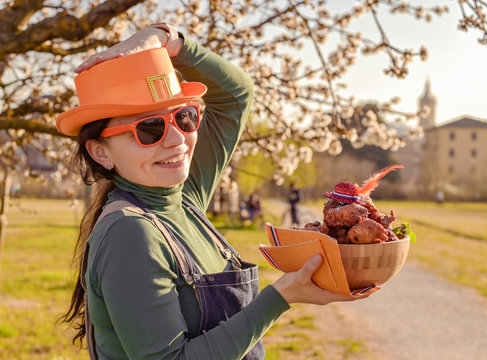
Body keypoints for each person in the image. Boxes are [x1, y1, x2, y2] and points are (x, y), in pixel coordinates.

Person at [58, 24, 378, 360]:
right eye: (148, 129)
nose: (177, 139)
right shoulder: (130, 232)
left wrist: (168, 41)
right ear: (101, 152)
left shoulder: (183, 197)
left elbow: (237, 93)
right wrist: (280, 296)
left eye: (184, 117)